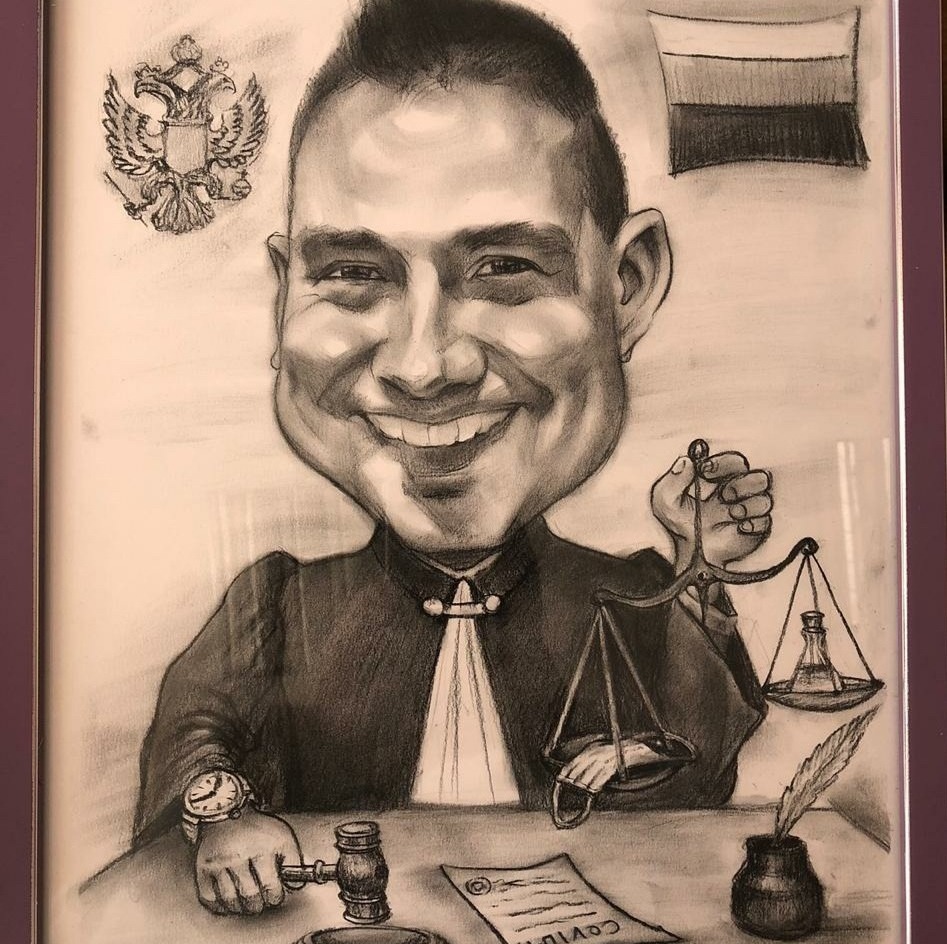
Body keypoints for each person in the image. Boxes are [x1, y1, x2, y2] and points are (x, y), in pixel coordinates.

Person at [134, 0, 774, 916]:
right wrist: (224, 813)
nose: (422, 367)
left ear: (625, 287)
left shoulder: (636, 596)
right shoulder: (276, 609)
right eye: (353, 274)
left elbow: (697, 774)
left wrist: (698, 566)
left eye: (504, 267)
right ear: (283, 301)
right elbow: (196, 740)